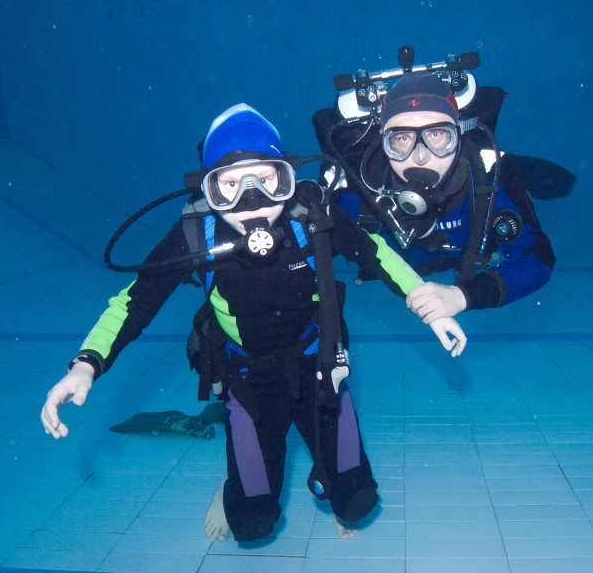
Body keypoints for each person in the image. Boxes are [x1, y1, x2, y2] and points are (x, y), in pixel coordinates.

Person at [40, 103, 467, 543]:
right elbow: (135, 302)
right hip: (247, 379)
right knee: (252, 523)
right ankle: (233, 490)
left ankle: (337, 493)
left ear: (287, 178)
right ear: (209, 192)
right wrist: (85, 364)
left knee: (357, 502)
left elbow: (374, 252)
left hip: (319, 366)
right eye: (229, 185)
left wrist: (426, 302)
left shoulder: (312, 216)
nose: (251, 201)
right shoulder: (195, 235)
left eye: (265, 180)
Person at [314, 70, 557, 325]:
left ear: (459, 136)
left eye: (437, 135)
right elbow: (305, 251)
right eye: (403, 138)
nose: (421, 156)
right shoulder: (358, 188)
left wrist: (463, 296)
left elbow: (537, 258)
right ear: (383, 144)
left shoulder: (487, 177)